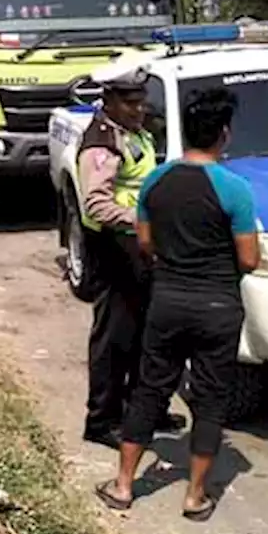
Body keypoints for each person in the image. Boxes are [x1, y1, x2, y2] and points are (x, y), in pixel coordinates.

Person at [95, 87, 259, 522]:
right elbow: (249, 259)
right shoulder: (236, 189)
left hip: (167, 301)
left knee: (150, 389)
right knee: (210, 399)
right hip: (219, 307)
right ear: (224, 135)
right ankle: (195, 497)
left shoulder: (156, 180)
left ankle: (124, 485)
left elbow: (145, 243)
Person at [78, 67, 185, 448]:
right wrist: (139, 219)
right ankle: (102, 420)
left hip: (139, 247)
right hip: (113, 247)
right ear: (109, 101)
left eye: (141, 102)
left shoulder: (133, 131)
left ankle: (144, 412)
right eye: (129, 103)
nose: (138, 109)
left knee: (146, 335)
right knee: (114, 338)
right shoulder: (102, 143)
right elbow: (95, 204)